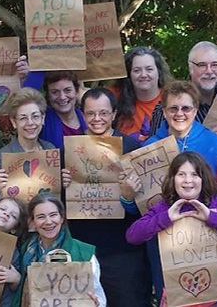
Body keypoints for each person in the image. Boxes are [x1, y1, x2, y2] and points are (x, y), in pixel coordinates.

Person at [58, 87, 151, 306]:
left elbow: (147, 206)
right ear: (83, 114)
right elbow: (58, 205)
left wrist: (130, 194)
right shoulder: (70, 150)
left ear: (114, 114)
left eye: (103, 113)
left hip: (124, 251)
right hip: (83, 248)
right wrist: (62, 185)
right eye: (90, 113)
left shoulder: (131, 147)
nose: (97, 118)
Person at [125, 152, 217, 306]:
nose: (188, 180)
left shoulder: (215, 205)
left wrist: (211, 217)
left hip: (214, 296)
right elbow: (133, 236)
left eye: (194, 175)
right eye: (181, 174)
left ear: (203, 179)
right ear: (173, 179)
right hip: (176, 296)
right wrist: (166, 218)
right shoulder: (164, 207)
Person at [13, 192, 107, 306]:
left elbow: (100, 299)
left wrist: (95, 303)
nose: (48, 222)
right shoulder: (24, 250)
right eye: (41, 217)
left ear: (62, 217)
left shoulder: (84, 253)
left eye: (53, 215)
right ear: (33, 222)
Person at [148, 41, 217, 139]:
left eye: (215, 65)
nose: (209, 71)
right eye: (202, 65)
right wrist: (207, 141)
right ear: (190, 68)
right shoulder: (170, 107)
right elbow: (157, 150)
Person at [144, 80, 217, 172]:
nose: (179, 113)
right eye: (173, 109)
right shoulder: (149, 148)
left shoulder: (215, 143)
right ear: (164, 112)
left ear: (195, 111)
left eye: (186, 108)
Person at [0, 88, 56, 197]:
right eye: (23, 118)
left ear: (43, 118)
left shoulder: (50, 149)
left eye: (35, 116)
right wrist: (0, 191)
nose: (30, 123)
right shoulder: (2, 158)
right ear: (14, 122)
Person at [111, 46, 173, 142]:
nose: (143, 75)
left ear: (159, 72)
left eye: (149, 69)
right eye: (137, 70)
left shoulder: (172, 99)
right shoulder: (114, 96)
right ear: (129, 75)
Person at [38, 70, 87, 149]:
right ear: (48, 96)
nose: (62, 97)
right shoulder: (40, 120)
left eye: (67, 90)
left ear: (76, 91)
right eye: (55, 92)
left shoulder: (89, 117)